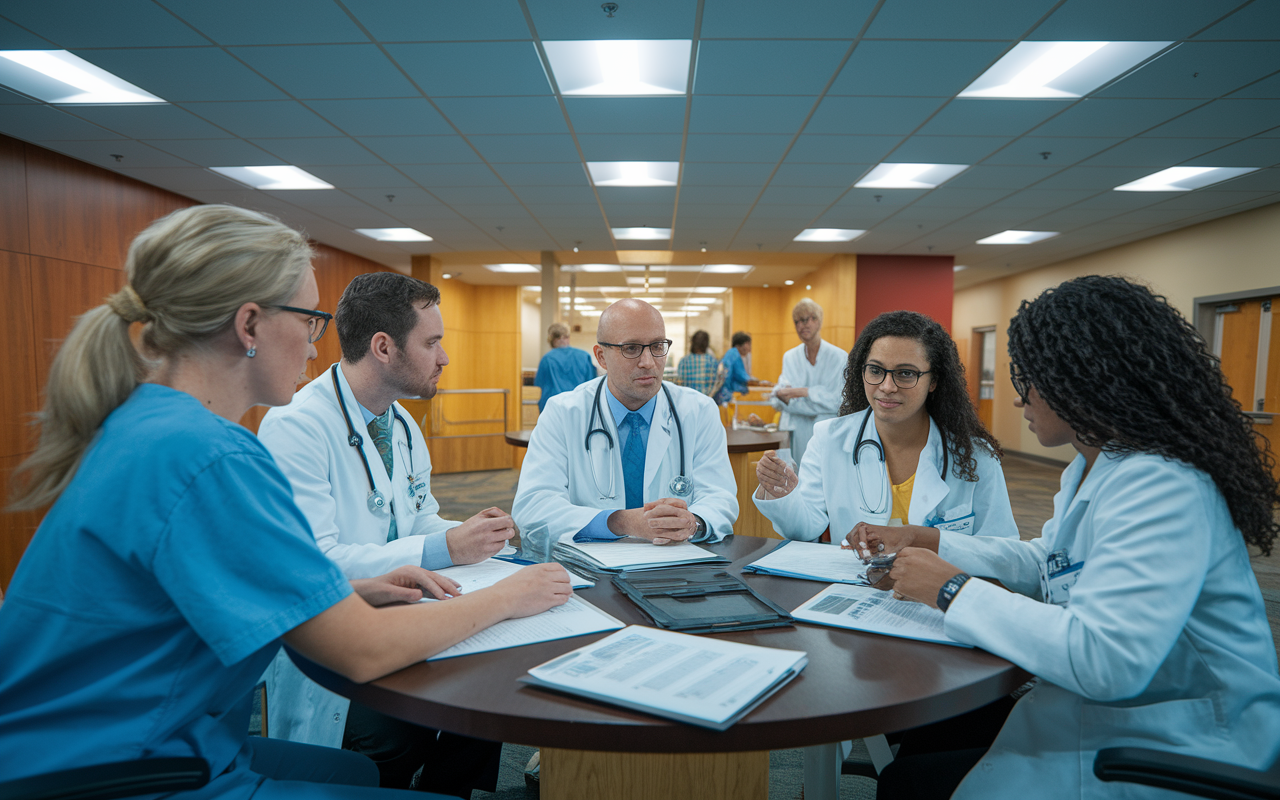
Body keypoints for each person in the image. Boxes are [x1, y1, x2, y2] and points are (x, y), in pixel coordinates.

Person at [0, 205, 571, 800]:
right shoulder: (211, 456)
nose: (314, 343)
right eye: (310, 320)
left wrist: (350, 590)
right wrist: (510, 596)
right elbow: (361, 649)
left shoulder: (148, 427)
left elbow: (200, 585)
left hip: (88, 743)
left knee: (355, 775)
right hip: (121, 771)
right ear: (249, 326)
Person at [855, 276, 1280, 800]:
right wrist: (934, 541)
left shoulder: (1164, 485)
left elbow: (1106, 660)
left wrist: (951, 589)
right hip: (1104, 716)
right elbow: (1047, 564)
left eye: (1032, 378)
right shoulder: (1093, 465)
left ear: (1084, 379)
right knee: (926, 744)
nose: (1019, 398)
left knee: (909, 783)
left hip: (1176, 746)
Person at [257, 272, 514, 794]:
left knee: (494, 701)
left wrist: (468, 533)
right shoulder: (297, 426)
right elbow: (318, 564)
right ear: (383, 347)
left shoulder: (401, 424)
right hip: (335, 641)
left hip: (404, 616)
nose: (444, 358)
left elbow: (419, 517)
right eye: (433, 342)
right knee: (396, 737)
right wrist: (445, 545)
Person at [755, 310, 1018, 544]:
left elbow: (1002, 549)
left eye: (906, 373)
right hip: (851, 593)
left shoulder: (976, 457)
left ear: (934, 380)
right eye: (876, 370)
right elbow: (807, 527)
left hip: (936, 596)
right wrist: (785, 496)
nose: (887, 387)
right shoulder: (828, 440)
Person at [513, 299, 738, 560]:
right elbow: (533, 506)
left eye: (657, 347)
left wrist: (693, 522)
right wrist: (621, 522)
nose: (648, 362)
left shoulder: (699, 411)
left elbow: (720, 497)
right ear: (601, 357)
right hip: (587, 571)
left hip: (674, 567)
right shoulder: (562, 413)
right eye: (631, 348)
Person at [767, 299, 848, 465]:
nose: (802, 326)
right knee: (794, 481)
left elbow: (838, 403)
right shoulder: (790, 357)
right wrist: (817, 400)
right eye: (797, 321)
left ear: (818, 321)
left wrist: (803, 392)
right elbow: (781, 401)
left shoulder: (838, 357)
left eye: (807, 319)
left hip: (827, 435)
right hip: (796, 437)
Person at [534, 322, 596, 412]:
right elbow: (592, 384)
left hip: (554, 409)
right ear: (568, 336)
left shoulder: (547, 359)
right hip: (579, 408)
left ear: (551, 338)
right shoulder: (584, 356)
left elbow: (540, 384)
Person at [714, 330, 769, 406]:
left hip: (722, 394)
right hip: (725, 395)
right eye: (749, 344)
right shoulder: (735, 355)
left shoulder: (731, 353)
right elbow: (743, 377)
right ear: (744, 344)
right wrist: (760, 383)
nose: (750, 348)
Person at [675, 329, 718, 395]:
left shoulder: (684, 361)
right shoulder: (712, 361)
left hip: (687, 400)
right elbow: (714, 386)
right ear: (706, 344)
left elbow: (679, 383)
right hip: (705, 401)